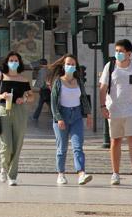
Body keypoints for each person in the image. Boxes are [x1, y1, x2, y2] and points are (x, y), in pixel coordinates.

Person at [99, 39, 132, 186]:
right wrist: (102, 106)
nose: (118, 53)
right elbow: (102, 87)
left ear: (129, 53)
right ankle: (115, 174)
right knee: (116, 141)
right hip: (114, 109)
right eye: (117, 51)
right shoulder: (110, 66)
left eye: (121, 51)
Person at [49, 54, 93, 185]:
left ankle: (81, 173)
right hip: (62, 115)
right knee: (62, 148)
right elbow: (54, 102)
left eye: (73, 64)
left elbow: (83, 98)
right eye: (68, 64)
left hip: (77, 116)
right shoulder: (58, 82)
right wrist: (58, 118)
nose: (70, 66)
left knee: (78, 146)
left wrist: (88, 114)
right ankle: (61, 173)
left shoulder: (78, 81)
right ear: (63, 66)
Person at [0, 51, 32, 186]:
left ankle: (12, 175)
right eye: (11, 60)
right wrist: (2, 96)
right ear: (6, 62)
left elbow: (31, 96)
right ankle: (4, 167)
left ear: (19, 63)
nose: (14, 63)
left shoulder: (24, 79)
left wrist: (24, 98)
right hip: (4, 109)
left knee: (18, 143)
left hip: (19, 111)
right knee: (6, 144)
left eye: (16, 61)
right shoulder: (1, 77)